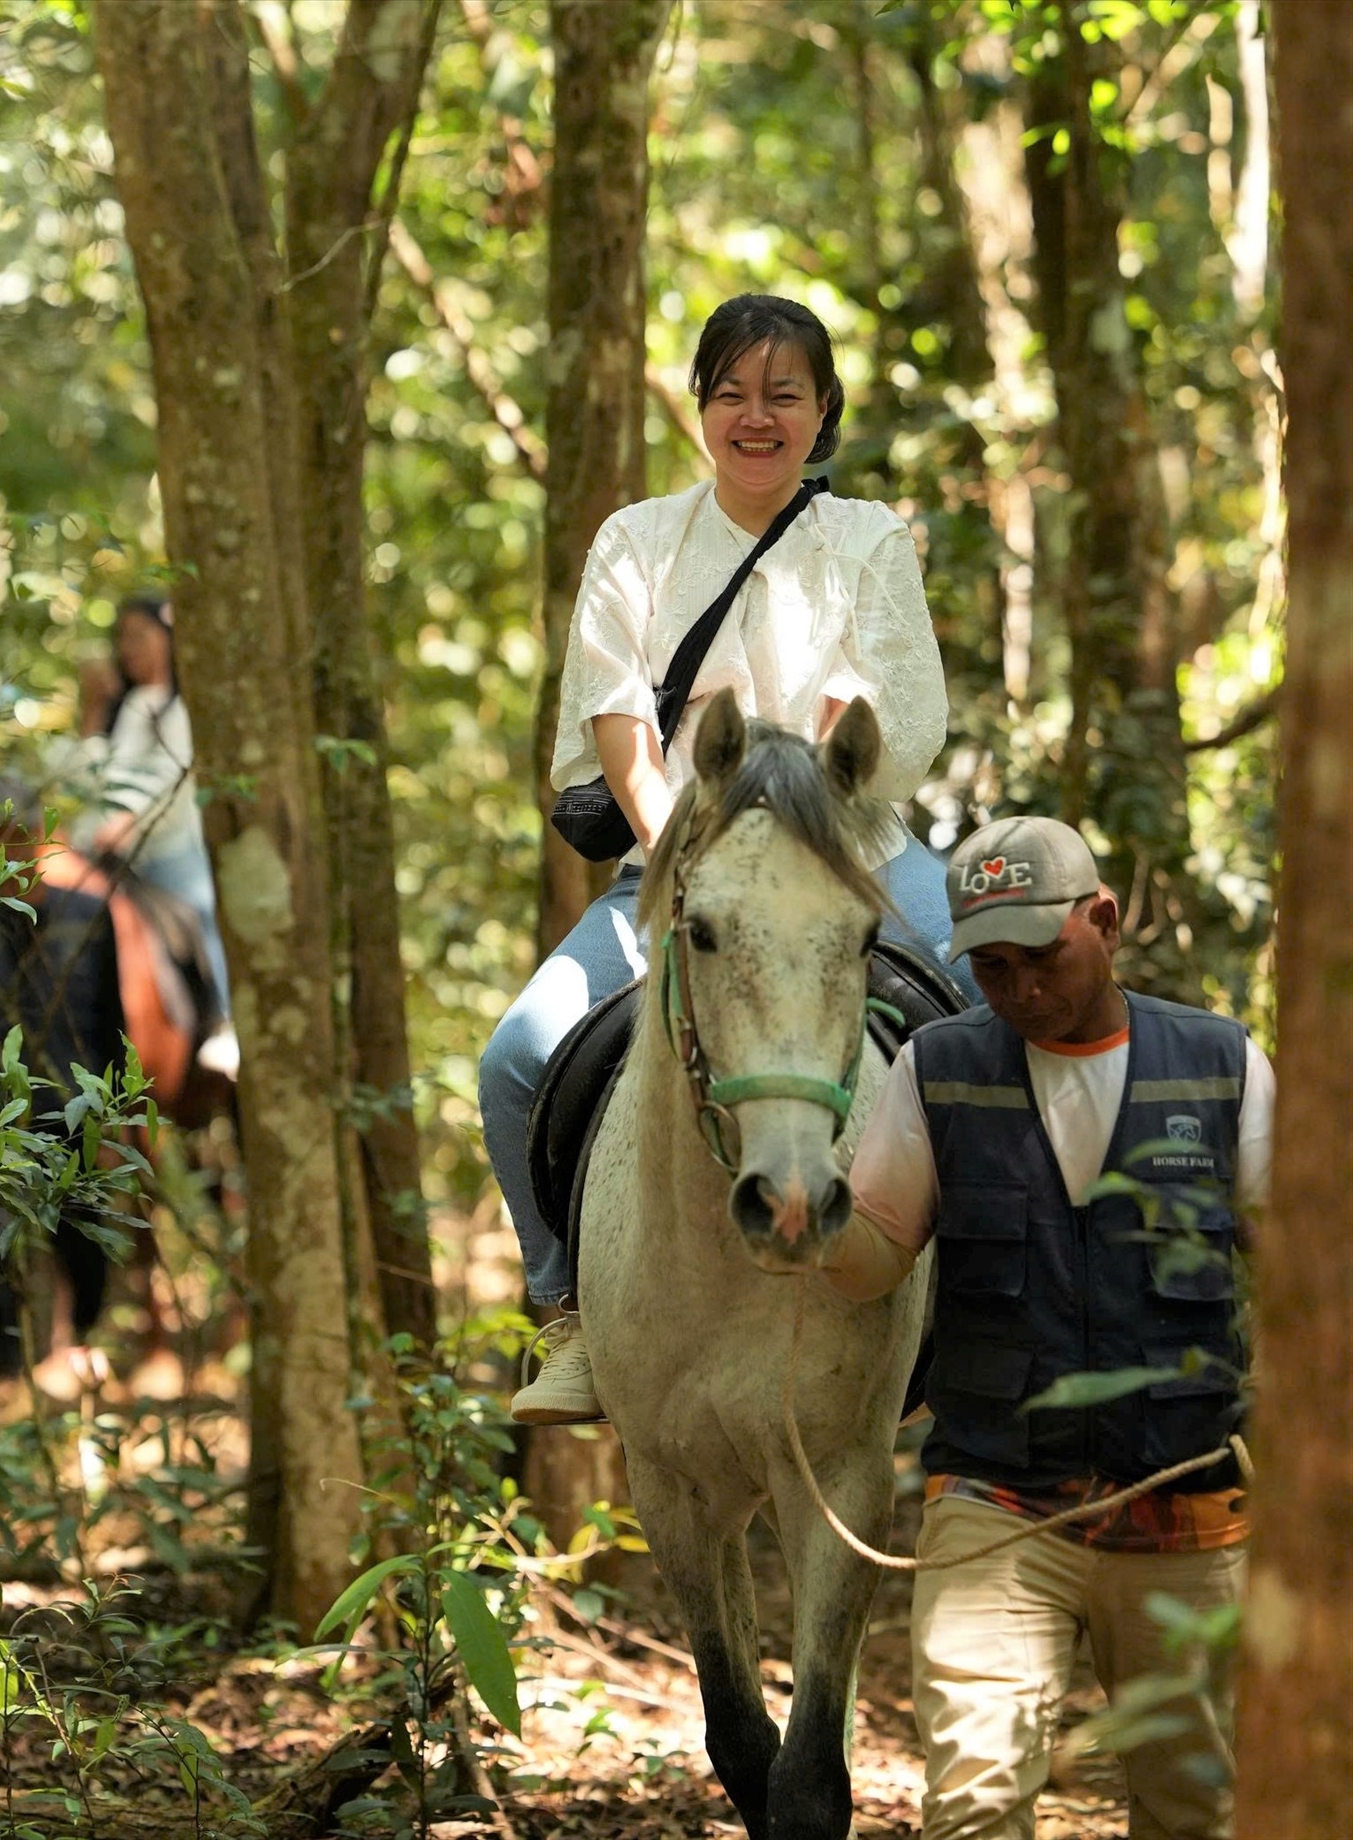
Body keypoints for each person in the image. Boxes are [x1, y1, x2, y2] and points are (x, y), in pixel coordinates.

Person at [481, 292, 964, 1426]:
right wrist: (682, 871)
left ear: (823, 410)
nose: (758, 416)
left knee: (984, 1012)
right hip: (677, 855)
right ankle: (572, 1315)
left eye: (783, 393)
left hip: (855, 857)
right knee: (515, 1058)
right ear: (700, 406)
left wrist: (854, 729)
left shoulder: (868, 541)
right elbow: (614, 723)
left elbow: (902, 709)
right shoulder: (637, 542)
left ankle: (1004, 1305)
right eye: (734, 392)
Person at [822, 815, 1273, 1840]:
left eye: (1043, 956)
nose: (1021, 987)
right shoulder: (935, 1068)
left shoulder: (1222, 1066)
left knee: (1195, 1808)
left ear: (1103, 920)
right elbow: (870, 1263)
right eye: (992, 967)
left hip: (1186, 1510)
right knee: (974, 1804)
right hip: (996, 1506)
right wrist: (803, 1225)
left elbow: (1302, 1272)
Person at [70, 593, 232, 1037]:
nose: (128, 647)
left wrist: (127, 820)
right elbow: (90, 779)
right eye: (122, 637)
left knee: (204, 909)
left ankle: (223, 1019)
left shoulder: (184, 709)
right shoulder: (131, 707)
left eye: (140, 635)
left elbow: (166, 779)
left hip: (167, 854)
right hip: (109, 854)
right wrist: (93, 713)